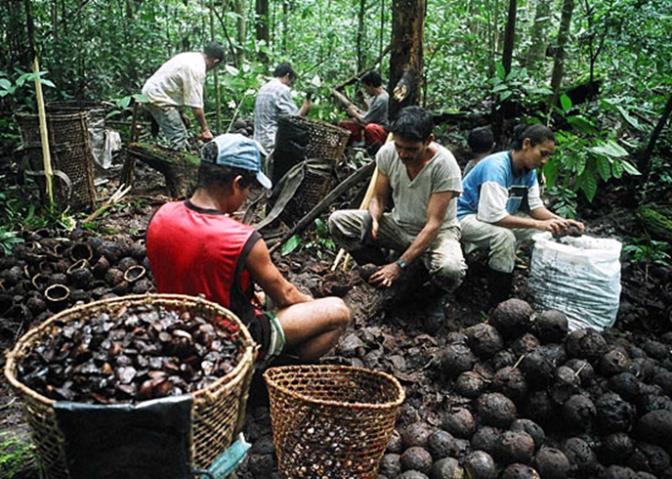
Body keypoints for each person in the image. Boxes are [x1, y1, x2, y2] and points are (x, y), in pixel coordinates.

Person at [147, 134, 351, 366]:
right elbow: (287, 295)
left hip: (174, 326)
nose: (247, 197)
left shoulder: (161, 215)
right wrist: (312, 305)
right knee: (338, 310)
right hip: (229, 338)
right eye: (249, 188)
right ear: (236, 183)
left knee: (263, 297)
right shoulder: (241, 238)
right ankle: (270, 369)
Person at [329, 106, 466, 293]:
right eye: (399, 146)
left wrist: (399, 265)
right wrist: (375, 219)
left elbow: (434, 224)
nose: (402, 154)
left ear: (428, 141)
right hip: (399, 225)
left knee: (451, 269)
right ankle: (379, 271)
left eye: (411, 149)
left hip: (438, 234)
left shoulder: (444, 165)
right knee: (338, 222)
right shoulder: (387, 153)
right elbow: (378, 197)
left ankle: (433, 296)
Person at [457, 124, 585, 306]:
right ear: (527, 144)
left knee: (546, 233)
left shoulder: (528, 172)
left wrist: (561, 221)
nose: (544, 161)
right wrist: (538, 224)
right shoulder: (497, 166)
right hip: (464, 217)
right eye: (543, 153)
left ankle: (546, 290)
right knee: (504, 237)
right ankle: (498, 303)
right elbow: (493, 217)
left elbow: (535, 208)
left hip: (489, 217)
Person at [142, 42, 224, 150]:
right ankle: (178, 164)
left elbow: (175, 87)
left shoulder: (190, 57)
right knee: (178, 136)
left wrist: (181, 113)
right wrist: (205, 130)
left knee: (181, 128)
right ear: (215, 61)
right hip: (158, 97)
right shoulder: (196, 69)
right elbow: (196, 107)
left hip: (155, 92)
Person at [253, 62, 312, 154]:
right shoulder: (281, 89)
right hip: (272, 141)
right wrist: (305, 107)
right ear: (287, 76)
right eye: (291, 81)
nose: (290, 85)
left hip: (258, 141)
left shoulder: (263, 88)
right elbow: (293, 120)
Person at [334, 70, 389, 150]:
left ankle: (372, 150)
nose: (365, 90)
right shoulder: (377, 97)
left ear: (371, 85)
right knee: (346, 124)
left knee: (370, 128)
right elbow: (369, 113)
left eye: (365, 87)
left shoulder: (382, 99)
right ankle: (348, 148)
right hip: (372, 123)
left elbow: (366, 120)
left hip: (381, 130)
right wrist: (358, 110)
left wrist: (354, 113)